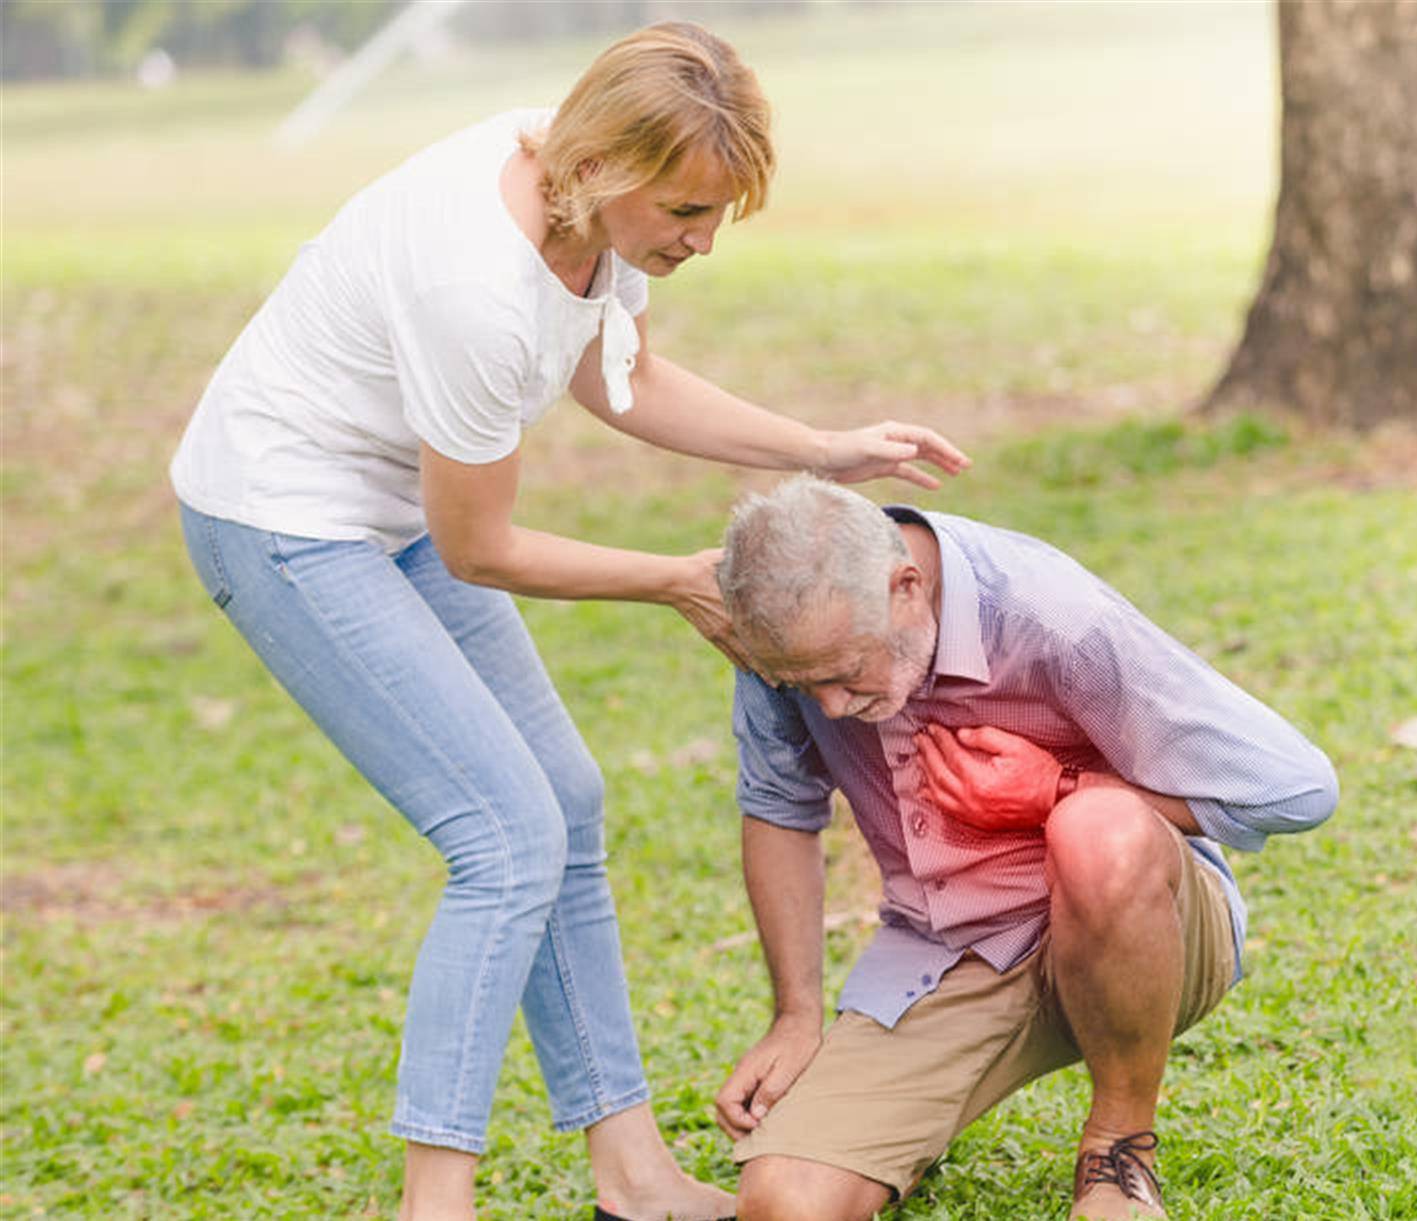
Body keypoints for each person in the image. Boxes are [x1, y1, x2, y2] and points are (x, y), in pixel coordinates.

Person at [168, 24, 967, 1221]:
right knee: (502, 838)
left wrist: (823, 447)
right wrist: (677, 579)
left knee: (567, 803)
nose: (703, 240)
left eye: (719, 215)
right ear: (607, 171)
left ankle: (634, 1176)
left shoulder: (584, 198)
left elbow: (622, 375)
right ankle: (432, 1206)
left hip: (392, 510)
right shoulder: (473, 287)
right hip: (283, 520)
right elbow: (479, 548)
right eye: (691, 212)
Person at [708, 476, 1338, 1220]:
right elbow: (780, 807)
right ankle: (906, 1126)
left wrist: (1053, 790)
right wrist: (795, 1014)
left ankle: (1119, 1151)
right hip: (947, 955)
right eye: (801, 685)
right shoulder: (783, 640)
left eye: (846, 674)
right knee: (784, 1203)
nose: (831, 708)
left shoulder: (1049, 611)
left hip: (1139, 920)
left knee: (1094, 828)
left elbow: (1297, 787)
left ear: (906, 586)